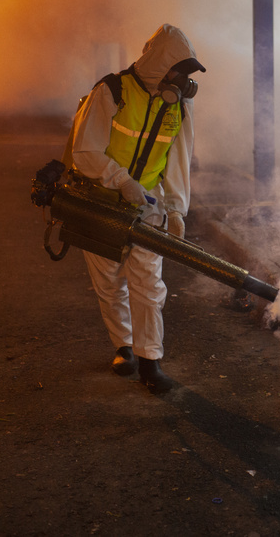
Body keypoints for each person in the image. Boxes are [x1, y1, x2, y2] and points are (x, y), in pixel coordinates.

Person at [68, 24, 204, 394]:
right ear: (159, 64)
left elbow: (179, 160)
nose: (182, 80)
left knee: (148, 283)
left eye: (187, 74)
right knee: (110, 284)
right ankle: (123, 347)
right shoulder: (111, 92)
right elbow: (85, 152)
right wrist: (122, 180)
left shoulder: (179, 105)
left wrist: (175, 209)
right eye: (179, 71)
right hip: (100, 201)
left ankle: (150, 360)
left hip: (146, 206)